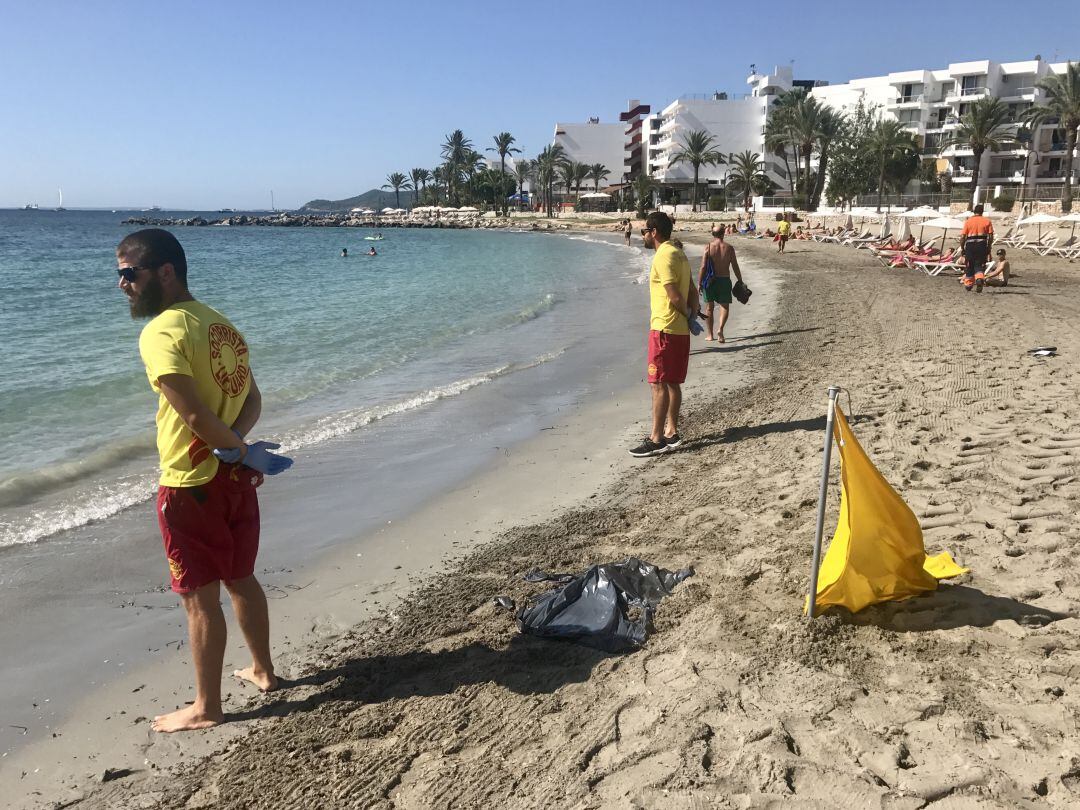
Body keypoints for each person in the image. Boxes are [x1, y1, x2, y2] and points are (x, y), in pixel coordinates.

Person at [116, 228, 293, 733]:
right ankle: (263, 670)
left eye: (130, 273)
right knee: (240, 576)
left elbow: (192, 415)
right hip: (235, 478)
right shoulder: (221, 326)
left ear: (165, 272)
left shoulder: (161, 331)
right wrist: (240, 451)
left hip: (189, 483)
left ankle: (206, 707)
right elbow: (253, 399)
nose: (123, 285)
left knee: (199, 596)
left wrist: (227, 447)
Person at [630, 212, 697, 458]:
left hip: (664, 329)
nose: (644, 236)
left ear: (654, 231)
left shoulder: (663, 255)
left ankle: (656, 438)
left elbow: (675, 295)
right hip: (679, 330)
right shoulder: (680, 254)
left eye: (644, 231)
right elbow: (692, 291)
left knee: (658, 384)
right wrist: (691, 317)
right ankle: (672, 432)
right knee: (672, 383)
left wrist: (686, 313)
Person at [699, 225, 745, 343]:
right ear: (723, 233)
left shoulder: (708, 247)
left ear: (713, 235)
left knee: (709, 308)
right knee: (724, 306)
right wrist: (740, 280)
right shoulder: (729, 248)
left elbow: (703, 267)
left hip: (710, 281)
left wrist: (699, 283)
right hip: (724, 280)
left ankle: (710, 335)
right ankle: (720, 329)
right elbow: (735, 265)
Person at [960, 203, 994, 292]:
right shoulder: (987, 221)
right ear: (982, 212)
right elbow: (990, 236)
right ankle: (979, 278)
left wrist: (962, 248)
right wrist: (989, 247)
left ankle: (968, 284)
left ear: (974, 212)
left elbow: (963, 237)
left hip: (970, 245)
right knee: (979, 264)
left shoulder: (968, 221)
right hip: (981, 245)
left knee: (969, 265)